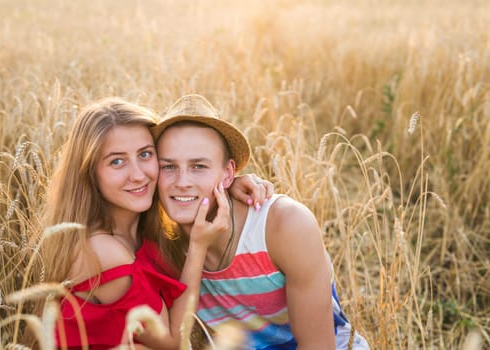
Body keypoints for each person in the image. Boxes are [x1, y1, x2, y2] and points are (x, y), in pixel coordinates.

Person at [34, 97, 272, 349]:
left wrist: (222, 182)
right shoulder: (102, 251)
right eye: (117, 161)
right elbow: (171, 342)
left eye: (145, 154)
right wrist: (198, 246)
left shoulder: (144, 229)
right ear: (90, 172)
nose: (138, 175)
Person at [152, 94, 370, 349]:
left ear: (228, 174)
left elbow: (317, 345)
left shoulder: (285, 225)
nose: (182, 181)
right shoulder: (161, 242)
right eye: (168, 167)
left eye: (199, 166)